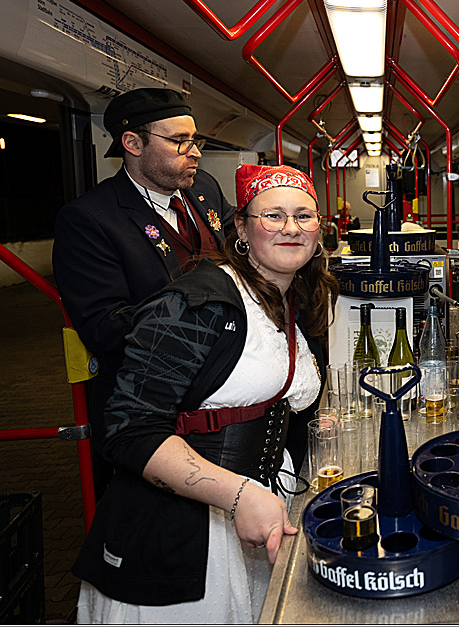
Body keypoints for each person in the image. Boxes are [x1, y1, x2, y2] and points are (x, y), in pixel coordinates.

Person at [73, 164, 338, 623]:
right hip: (183, 536)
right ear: (240, 227)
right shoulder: (197, 303)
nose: (292, 228)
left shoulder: (294, 295)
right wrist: (238, 495)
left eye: (304, 216)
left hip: (263, 514)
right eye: (273, 216)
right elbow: (128, 431)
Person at [53, 87, 234, 497]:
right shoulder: (89, 220)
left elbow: (236, 251)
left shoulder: (202, 188)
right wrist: (199, 308)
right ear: (132, 143)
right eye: (179, 142)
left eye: (196, 140)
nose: (195, 153)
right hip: (152, 405)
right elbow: (103, 327)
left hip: (222, 388)